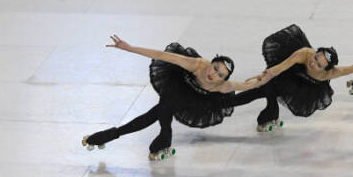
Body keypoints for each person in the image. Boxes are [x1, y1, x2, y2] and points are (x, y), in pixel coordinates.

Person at [82, 35, 267, 160]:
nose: (214, 74)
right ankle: (163, 136)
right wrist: (130, 48)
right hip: (179, 88)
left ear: (223, 79)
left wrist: (265, 77)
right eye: (215, 67)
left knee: (233, 100)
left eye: (220, 74)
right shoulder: (196, 64)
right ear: (211, 63)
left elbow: (246, 85)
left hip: (199, 100)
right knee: (161, 109)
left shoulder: (223, 86)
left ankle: (123, 136)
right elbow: (161, 55)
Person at [231, 24, 353, 130]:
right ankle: (232, 105)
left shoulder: (330, 73)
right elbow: (278, 68)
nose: (313, 63)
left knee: (265, 94)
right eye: (316, 57)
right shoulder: (305, 53)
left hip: (301, 87)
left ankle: (264, 114)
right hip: (284, 75)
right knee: (260, 91)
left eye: (319, 65)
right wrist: (259, 78)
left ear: (326, 69)